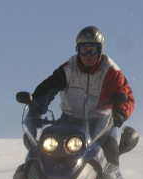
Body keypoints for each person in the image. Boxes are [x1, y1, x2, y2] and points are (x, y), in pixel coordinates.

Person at [26, 26, 135, 165]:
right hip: (70, 120)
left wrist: (120, 112)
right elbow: (47, 88)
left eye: (93, 50)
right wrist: (36, 105)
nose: (88, 55)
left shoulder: (111, 70)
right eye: (84, 50)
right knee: (41, 151)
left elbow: (126, 96)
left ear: (100, 50)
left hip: (102, 122)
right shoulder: (68, 68)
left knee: (111, 155)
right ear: (78, 50)